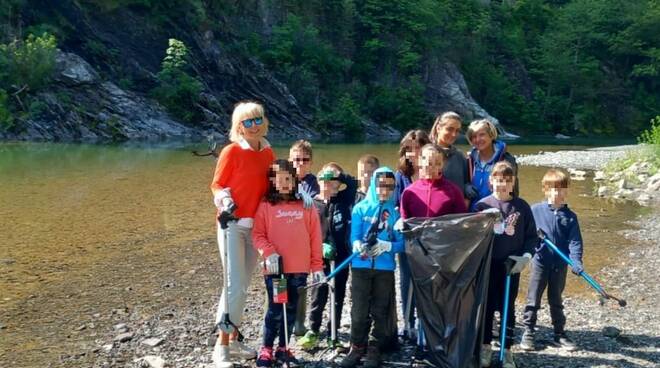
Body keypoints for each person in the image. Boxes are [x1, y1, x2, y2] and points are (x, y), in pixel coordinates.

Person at [211, 101, 275, 366]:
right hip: (231, 226)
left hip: (255, 228)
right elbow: (216, 184)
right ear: (238, 126)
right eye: (247, 122)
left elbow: (273, 187)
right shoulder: (232, 151)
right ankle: (221, 347)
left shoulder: (268, 152)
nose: (254, 125)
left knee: (242, 286)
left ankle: (234, 338)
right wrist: (224, 200)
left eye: (257, 119)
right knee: (234, 286)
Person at [252, 159, 325, 367]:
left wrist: (317, 265)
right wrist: (268, 252)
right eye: (279, 179)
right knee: (276, 309)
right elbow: (257, 234)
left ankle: (283, 347)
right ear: (272, 181)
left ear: (295, 180)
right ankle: (266, 348)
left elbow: (315, 236)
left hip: (299, 270)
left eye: (288, 179)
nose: (284, 183)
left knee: (291, 309)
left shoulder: (306, 205)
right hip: (277, 270)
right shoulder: (266, 204)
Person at [398, 143, 468, 362]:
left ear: (442, 165)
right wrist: (400, 224)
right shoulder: (410, 192)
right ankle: (421, 344)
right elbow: (405, 220)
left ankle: (441, 344)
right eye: (428, 162)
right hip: (418, 256)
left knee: (442, 301)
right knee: (422, 301)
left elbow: (462, 224)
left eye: (437, 163)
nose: (432, 166)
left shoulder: (452, 191)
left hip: (444, 256)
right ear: (420, 162)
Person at [340, 167, 404, 368]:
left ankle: (375, 347)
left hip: (385, 269)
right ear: (374, 185)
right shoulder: (360, 208)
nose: (385, 190)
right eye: (381, 185)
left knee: (380, 309)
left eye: (390, 187)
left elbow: (402, 243)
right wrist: (357, 245)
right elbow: (354, 236)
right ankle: (357, 346)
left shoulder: (395, 214)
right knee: (359, 309)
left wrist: (388, 246)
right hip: (360, 266)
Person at [475, 161, 536, 368]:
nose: (502, 184)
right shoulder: (482, 205)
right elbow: (473, 237)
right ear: (491, 180)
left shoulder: (522, 207)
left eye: (507, 181)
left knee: (507, 308)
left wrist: (526, 257)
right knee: (487, 307)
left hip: (511, 266)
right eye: (498, 180)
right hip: (488, 266)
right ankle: (485, 347)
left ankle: (507, 348)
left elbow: (531, 237)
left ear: (513, 183)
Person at [520, 169, 583, 352]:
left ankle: (559, 333)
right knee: (533, 298)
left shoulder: (570, 217)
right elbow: (527, 234)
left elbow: (575, 242)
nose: (557, 193)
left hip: (560, 265)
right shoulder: (535, 210)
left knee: (556, 299)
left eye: (562, 188)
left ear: (567, 190)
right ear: (545, 189)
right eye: (553, 188)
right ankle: (529, 331)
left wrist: (576, 261)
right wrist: (533, 243)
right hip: (540, 262)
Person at [298, 163, 357, 350]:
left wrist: (339, 176)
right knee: (319, 293)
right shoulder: (311, 203)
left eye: (334, 184)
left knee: (337, 295)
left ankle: (334, 331)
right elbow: (304, 231)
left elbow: (354, 184)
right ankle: (313, 330)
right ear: (319, 181)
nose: (329, 187)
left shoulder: (343, 199)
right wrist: (318, 246)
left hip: (341, 257)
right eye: (325, 182)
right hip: (319, 259)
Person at [393, 130, 430, 342]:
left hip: (428, 237)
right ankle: (407, 322)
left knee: (425, 280)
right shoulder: (401, 177)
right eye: (409, 149)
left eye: (418, 148)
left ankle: (424, 323)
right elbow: (397, 204)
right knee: (406, 279)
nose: (414, 153)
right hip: (407, 236)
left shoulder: (431, 174)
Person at [289, 139, 320, 336]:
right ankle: (276, 319)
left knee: (300, 283)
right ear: (290, 160)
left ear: (310, 162)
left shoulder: (315, 183)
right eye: (296, 159)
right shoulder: (281, 179)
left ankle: (299, 323)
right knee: (278, 282)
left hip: (303, 241)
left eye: (304, 160)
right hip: (282, 239)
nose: (300, 164)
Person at [466, 119, 518, 211]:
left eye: (482, 134)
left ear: (491, 135)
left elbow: (513, 190)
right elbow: (464, 182)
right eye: (474, 136)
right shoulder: (469, 160)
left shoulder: (506, 159)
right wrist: (466, 187)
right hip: (473, 214)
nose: (478, 139)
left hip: (497, 213)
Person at [429, 111, 477, 207]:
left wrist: (467, 193)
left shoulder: (459, 156)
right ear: (438, 128)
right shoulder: (426, 154)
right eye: (450, 129)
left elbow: (466, 182)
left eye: (457, 130)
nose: (454, 134)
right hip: (432, 213)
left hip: (456, 213)